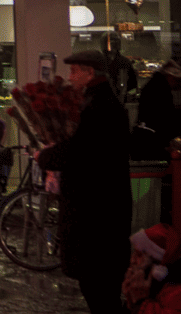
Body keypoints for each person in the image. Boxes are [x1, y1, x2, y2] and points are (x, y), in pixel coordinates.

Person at [41, 49, 133, 314]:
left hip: (96, 213)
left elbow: (79, 151)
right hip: (103, 211)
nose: (70, 77)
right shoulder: (101, 102)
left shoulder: (98, 106)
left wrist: (47, 156)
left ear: (89, 73)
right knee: (101, 288)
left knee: (98, 288)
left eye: (74, 71)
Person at [124, 224, 181, 314]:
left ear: (158, 267)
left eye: (139, 255)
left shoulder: (176, 294)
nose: (132, 260)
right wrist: (130, 298)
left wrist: (140, 302)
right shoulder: (154, 289)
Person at [136, 60, 181, 160]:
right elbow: (164, 118)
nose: (177, 84)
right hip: (154, 141)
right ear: (170, 76)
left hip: (148, 139)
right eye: (177, 80)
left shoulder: (155, 85)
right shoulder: (161, 90)